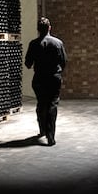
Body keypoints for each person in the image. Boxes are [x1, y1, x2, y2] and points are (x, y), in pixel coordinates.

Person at [25, 17, 67, 146]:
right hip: (54, 78)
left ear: (38, 29)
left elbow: (28, 64)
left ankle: (42, 130)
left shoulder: (33, 43)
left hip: (39, 79)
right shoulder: (58, 43)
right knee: (52, 105)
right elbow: (64, 62)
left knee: (41, 103)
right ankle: (50, 137)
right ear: (50, 28)